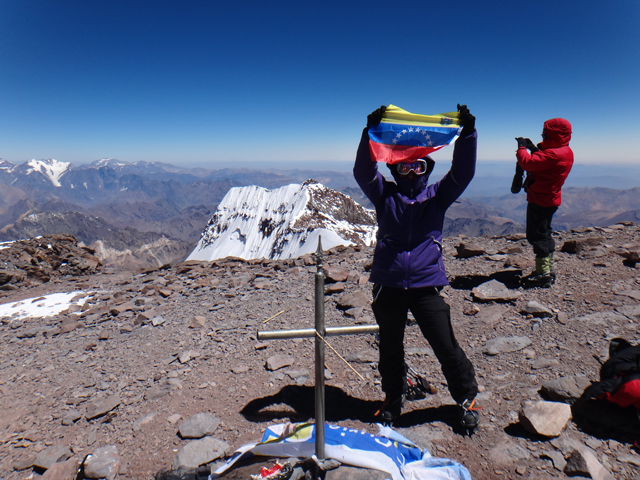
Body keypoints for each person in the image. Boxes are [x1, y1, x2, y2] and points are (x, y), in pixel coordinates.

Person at [353, 104, 480, 434]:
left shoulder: (438, 196)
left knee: (445, 345)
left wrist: (467, 135)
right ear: (395, 171)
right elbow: (363, 173)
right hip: (389, 285)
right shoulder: (385, 196)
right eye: (405, 167)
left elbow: (462, 173)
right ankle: (393, 399)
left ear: (427, 168)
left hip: (426, 284)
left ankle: (467, 399)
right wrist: (369, 134)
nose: (412, 173)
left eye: (419, 166)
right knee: (390, 349)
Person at [514, 118, 573, 288]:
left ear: (552, 134)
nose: (542, 136)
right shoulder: (564, 151)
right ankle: (548, 269)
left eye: (544, 134)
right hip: (549, 199)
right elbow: (543, 159)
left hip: (540, 200)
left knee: (537, 235)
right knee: (545, 233)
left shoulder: (555, 153)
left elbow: (528, 163)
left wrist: (522, 148)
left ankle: (543, 274)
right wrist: (533, 148)